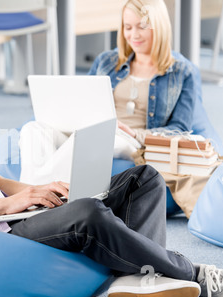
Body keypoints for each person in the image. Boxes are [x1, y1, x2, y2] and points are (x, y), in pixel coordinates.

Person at [0, 20, 223, 297]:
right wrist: (12, 203)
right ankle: (189, 272)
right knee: (88, 213)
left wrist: (38, 191)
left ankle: (139, 282)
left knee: (143, 178)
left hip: (15, 213)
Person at [19, 0, 200, 185]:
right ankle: (32, 198)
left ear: (159, 26)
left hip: (132, 141)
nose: (134, 34)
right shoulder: (107, 61)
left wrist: (136, 134)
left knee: (89, 139)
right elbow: (82, 99)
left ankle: (32, 195)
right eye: (127, 27)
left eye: (142, 27)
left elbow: (180, 130)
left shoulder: (182, 72)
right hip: (93, 129)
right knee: (33, 130)